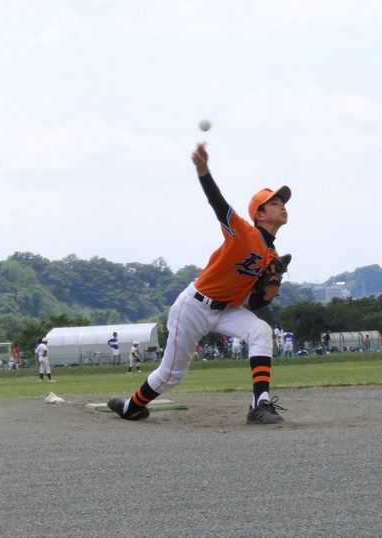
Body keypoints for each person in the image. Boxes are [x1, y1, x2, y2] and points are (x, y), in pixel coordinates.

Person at [108, 142, 291, 424]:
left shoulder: (272, 256)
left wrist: (271, 289)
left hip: (226, 310)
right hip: (194, 307)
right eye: (275, 203)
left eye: (283, 202)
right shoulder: (243, 232)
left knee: (261, 331)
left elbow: (255, 303)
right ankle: (130, 407)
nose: (282, 207)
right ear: (260, 214)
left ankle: (260, 405)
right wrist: (203, 170)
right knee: (171, 374)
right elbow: (218, 204)